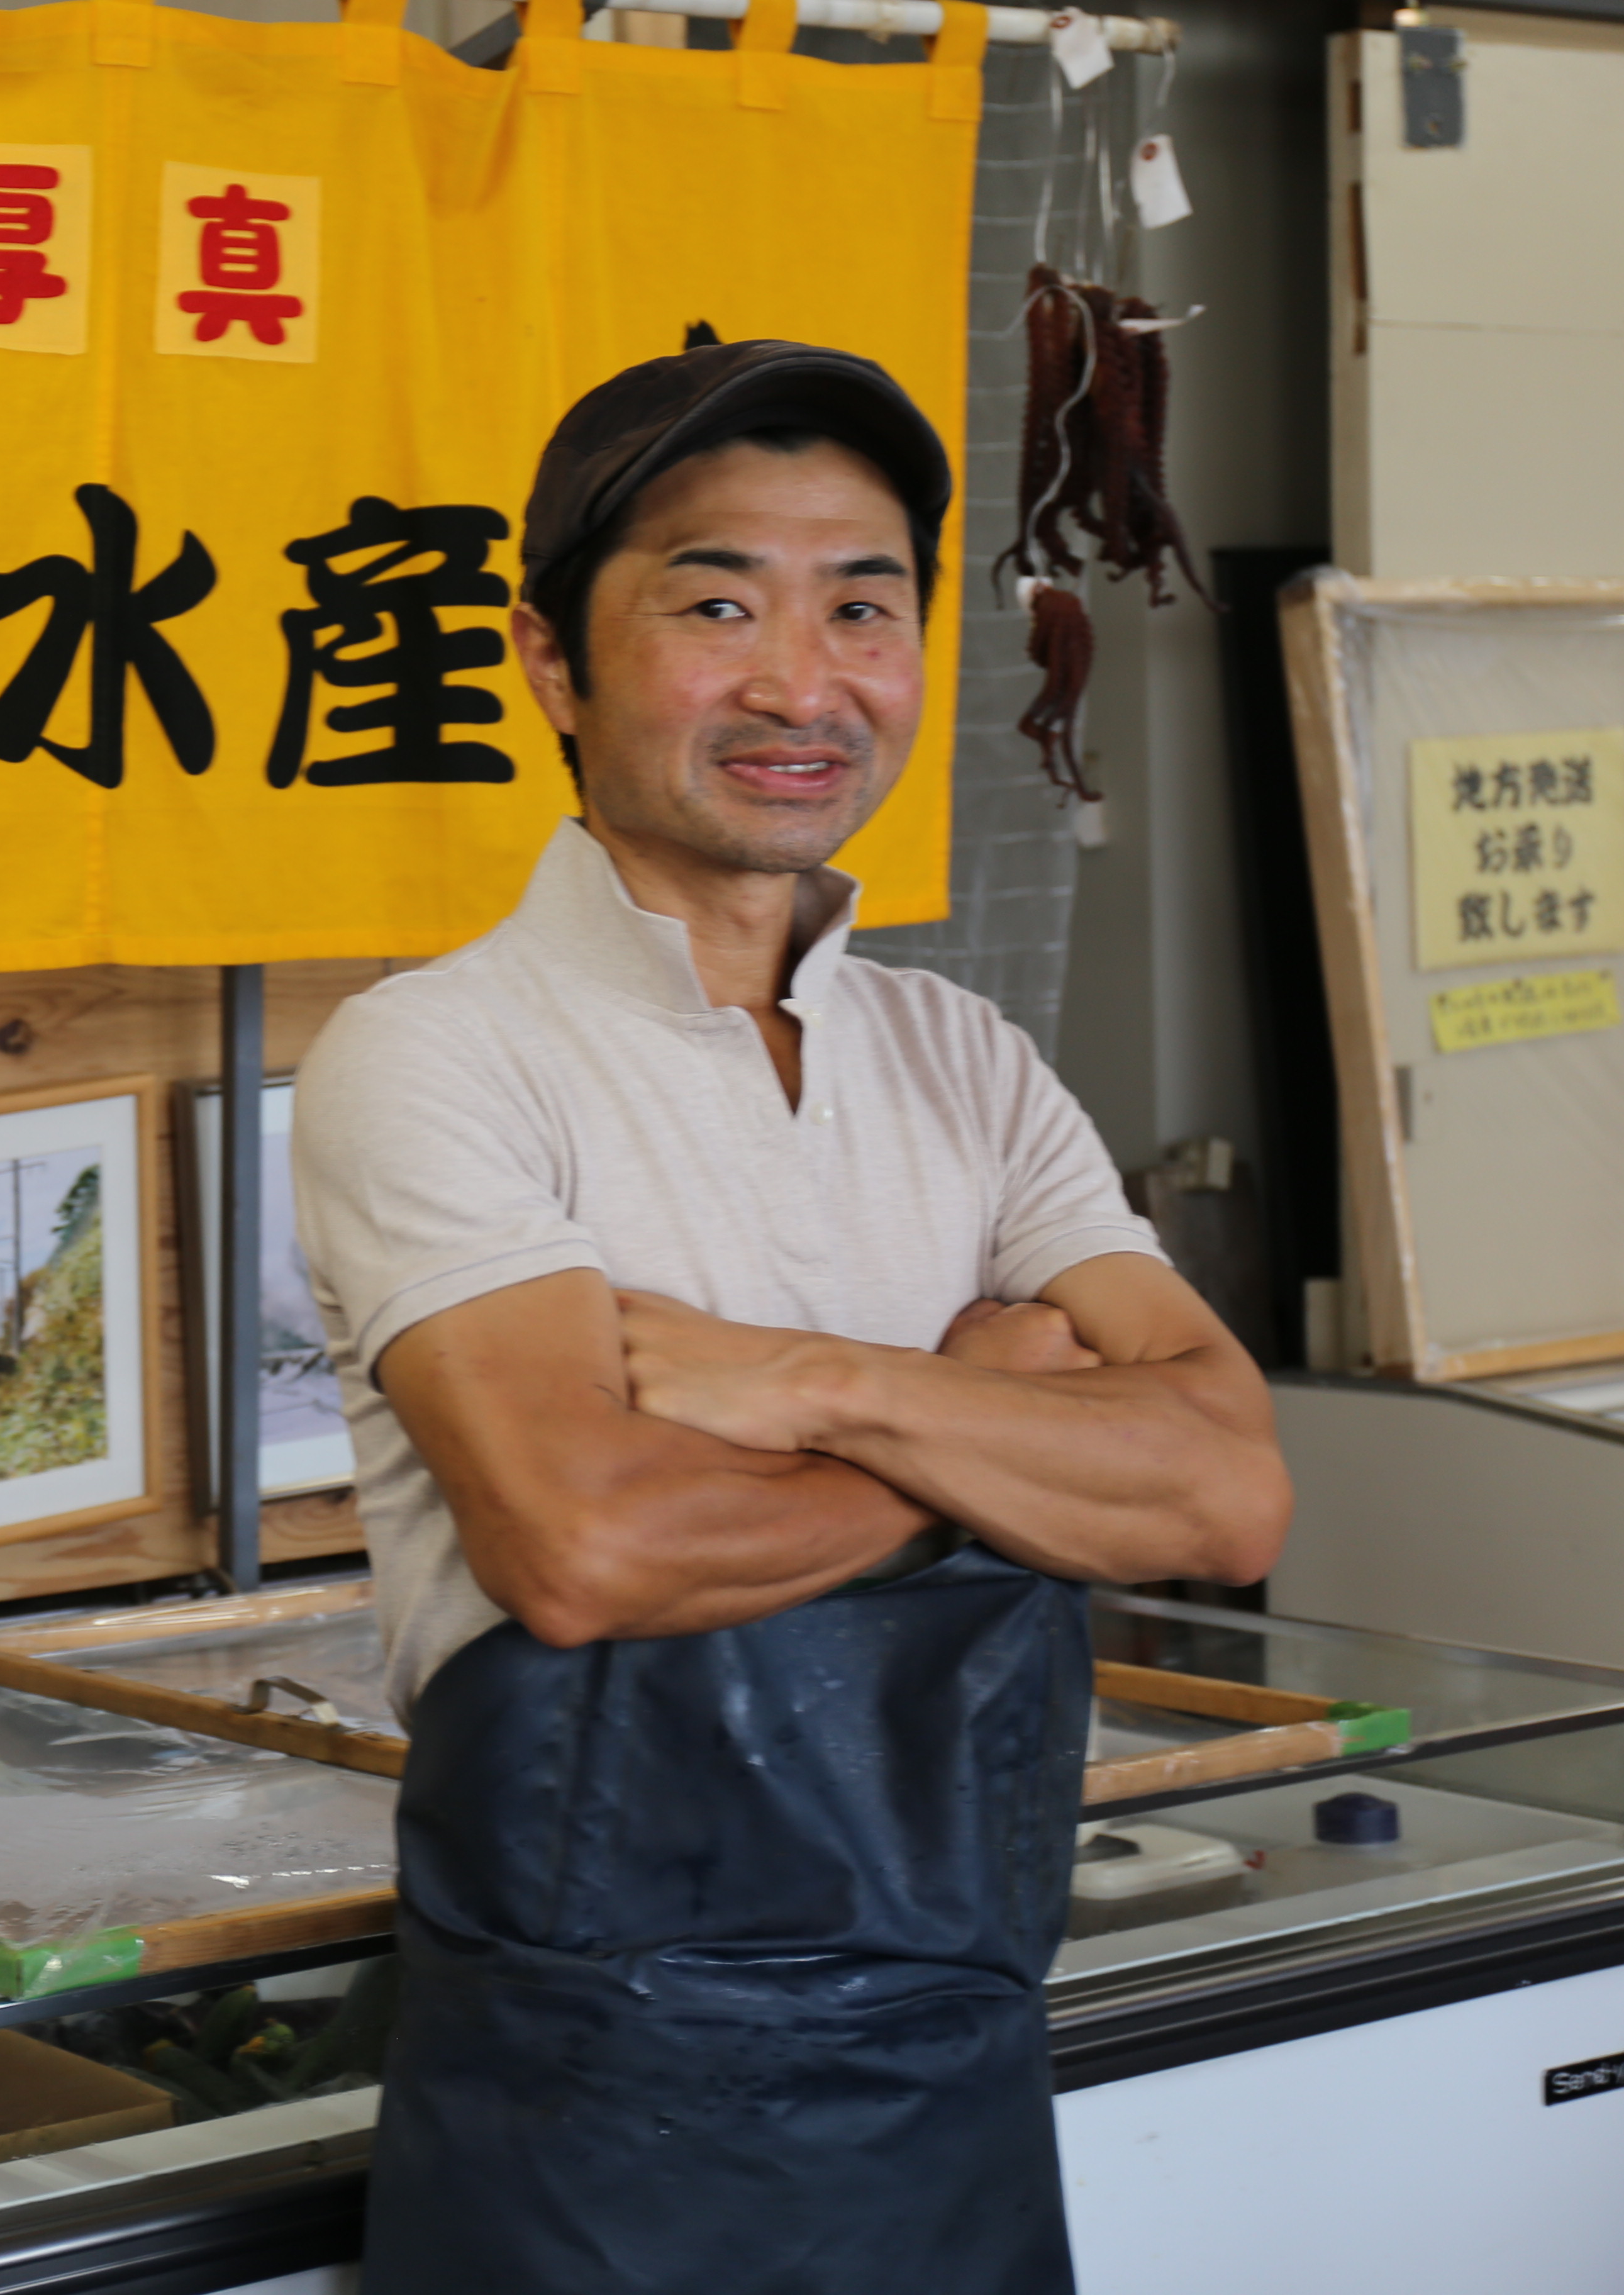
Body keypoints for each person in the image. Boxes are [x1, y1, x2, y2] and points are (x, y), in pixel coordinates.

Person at [292, 339, 1293, 2292]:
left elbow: (1225, 1494)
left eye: (864, 607)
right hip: (596, 2118)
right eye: (716, 602)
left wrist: (810, 1387)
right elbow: (589, 1547)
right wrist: (985, 1419)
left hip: (955, 2074)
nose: (797, 681)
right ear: (553, 659)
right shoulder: (437, 1056)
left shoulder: (965, 1057)